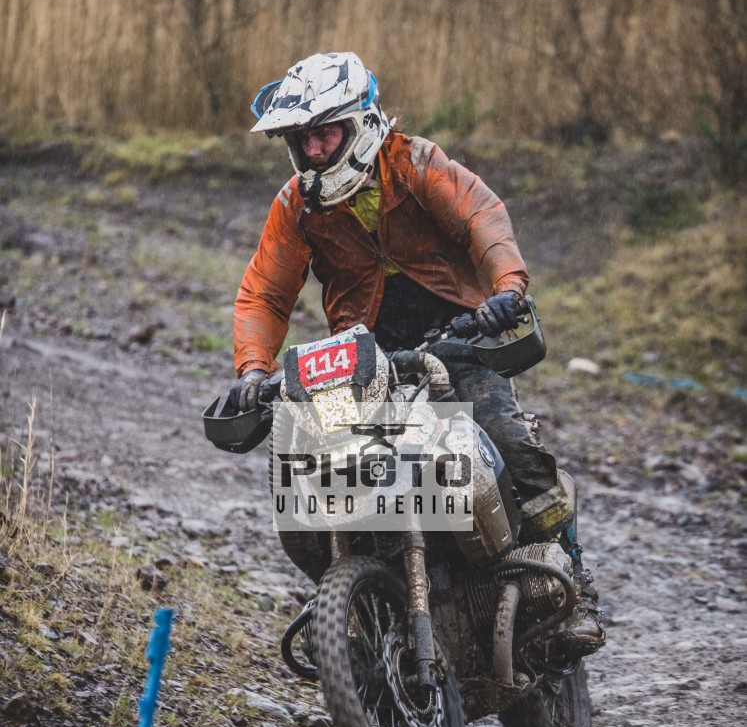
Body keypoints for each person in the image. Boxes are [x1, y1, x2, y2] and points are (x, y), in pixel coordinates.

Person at [229, 51, 604, 657]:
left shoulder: (413, 161)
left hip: (460, 335)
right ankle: (357, 601)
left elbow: (482, 216)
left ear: (360, 125)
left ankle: (574, 592)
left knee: (512, 445)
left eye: (325, 134)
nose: (316, 151)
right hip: (364, 358)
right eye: (303, 141)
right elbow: (264, 293)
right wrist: (253, 370)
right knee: (312, 472)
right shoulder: (296, 204)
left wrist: (506, 289)